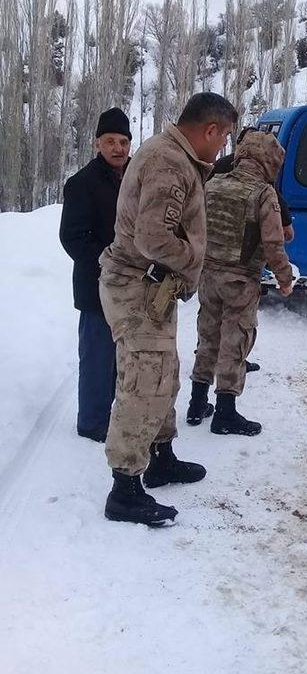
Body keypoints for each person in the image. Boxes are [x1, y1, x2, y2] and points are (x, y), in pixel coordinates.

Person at [99, 92, 237, 526]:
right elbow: (153, 239)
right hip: (137, 286)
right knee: (143, 381)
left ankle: (161, 457)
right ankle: (124, 488)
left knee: (163, 374)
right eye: (224, 137)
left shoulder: (175, 156)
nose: (223, 147)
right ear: (210, 129)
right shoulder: (170, 163)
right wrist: (194, 258)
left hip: (152, 288)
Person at [187, 130, 294, 432]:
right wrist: (285, 279)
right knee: (235, 343)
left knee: (207, 338)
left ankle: (196, 404)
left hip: (207, 276)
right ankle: (224, 413)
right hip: (240, 281)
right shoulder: (263, 193)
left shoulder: (214, 183)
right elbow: (273, 244)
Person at [60, 107, 132, 442]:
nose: (118, 148)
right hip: (96, 287)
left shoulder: (134, 179)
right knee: (96, 358)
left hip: (131, 288)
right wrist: (108, 265)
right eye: (110, 141)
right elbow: (72, 236)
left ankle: (114, 412)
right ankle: (91, 423)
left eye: (123, 141)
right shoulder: (81, 184)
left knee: (122, 356)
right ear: (96, 144)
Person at [209, 126, 294, 377]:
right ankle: (226, 404)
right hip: (241, 272)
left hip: (211, 269)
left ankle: (198, 398)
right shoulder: (261, 186)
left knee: (209, 331)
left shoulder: (217, 176)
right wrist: (285, 278)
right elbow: (273, 241)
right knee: (236, 334)